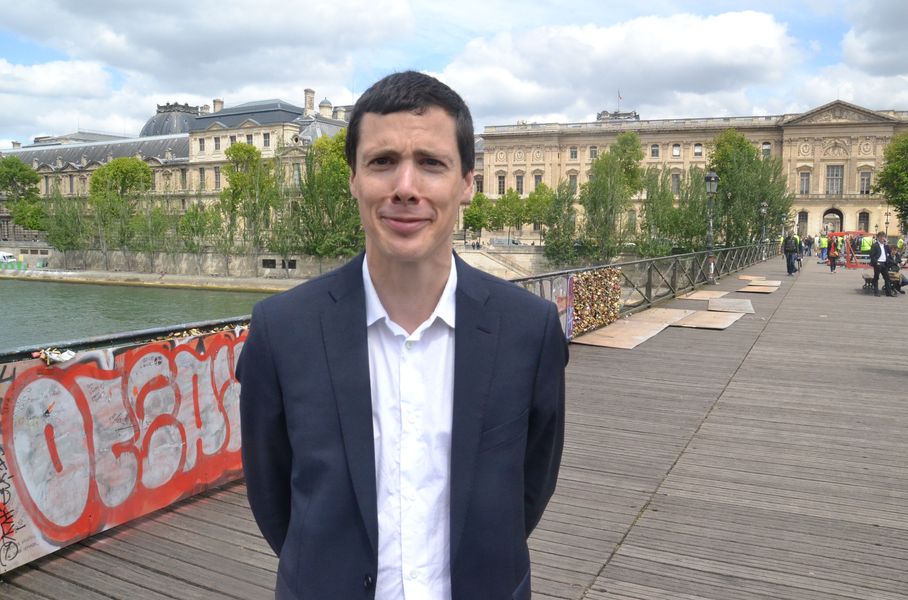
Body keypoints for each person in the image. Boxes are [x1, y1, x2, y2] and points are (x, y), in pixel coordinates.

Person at [237, 71, 568, 600]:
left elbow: (531, 486)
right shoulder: (282, 332)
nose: (405, 188)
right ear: (353, 179)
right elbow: (273, 496)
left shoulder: (529, 330)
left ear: (466, 183)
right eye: (382, 162)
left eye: (431, 163)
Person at [869, 231, 893, 297]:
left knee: (887, 278)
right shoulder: (875, 245)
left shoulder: (885, 246)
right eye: (881, 237)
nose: (883, 238)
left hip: (884, 264)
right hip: (878, 263)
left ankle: (888, 293)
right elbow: (871, 255)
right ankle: (876, 292)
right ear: (878, 237)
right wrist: (876, 262)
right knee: (876, 278)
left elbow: (889, 252)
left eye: (884, 237)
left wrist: (887, 244)